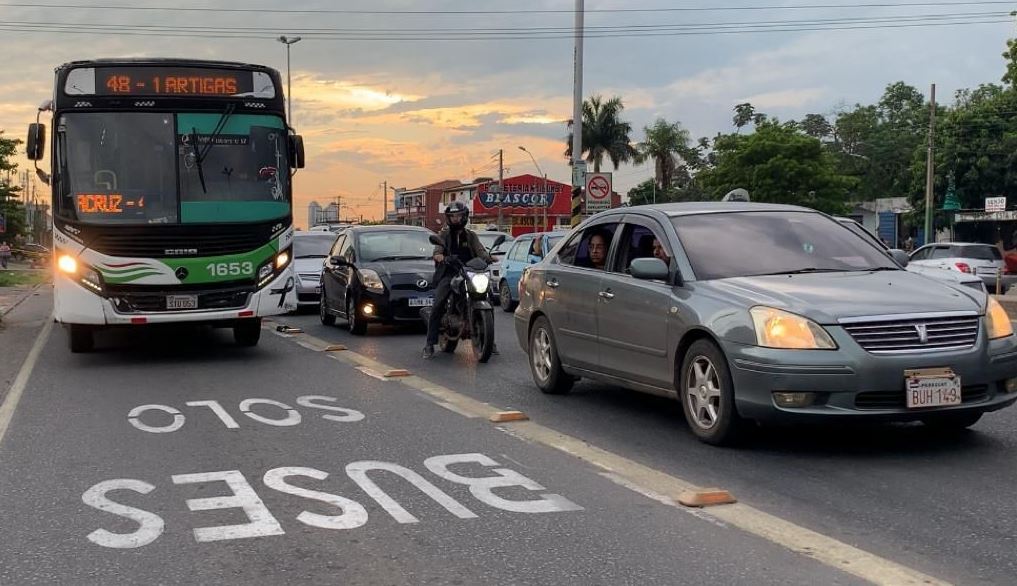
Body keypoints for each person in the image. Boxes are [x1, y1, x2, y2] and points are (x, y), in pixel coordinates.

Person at [424, 201, 494, 358]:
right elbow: (437, 250)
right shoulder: (443, 235)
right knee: (439, 302)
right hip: (449, 272)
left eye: (459, 216)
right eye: (453, 216)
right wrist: (440, 256)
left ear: (465, 216)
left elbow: (480, 252)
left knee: (486, 296)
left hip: (468, 272)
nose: (456, 219)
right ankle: (429, 344)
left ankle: (490, 340)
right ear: (449, 218)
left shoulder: (471, 235)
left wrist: (489, 258)